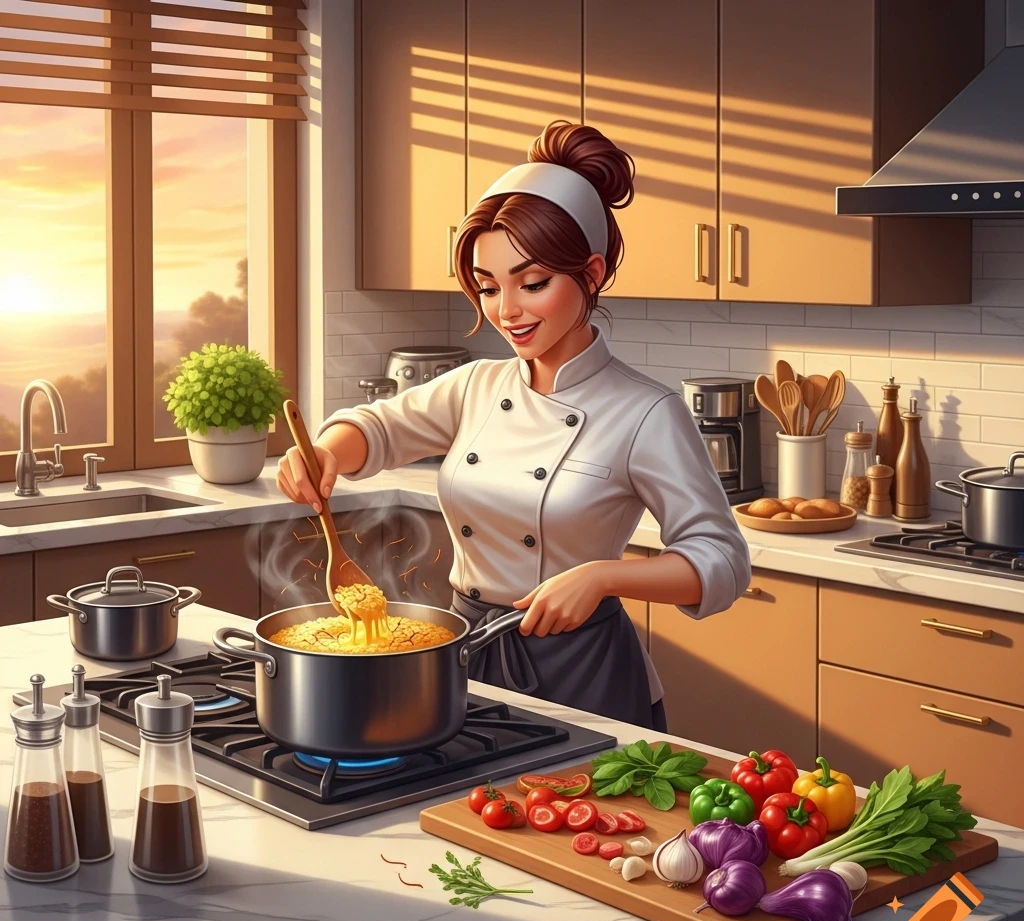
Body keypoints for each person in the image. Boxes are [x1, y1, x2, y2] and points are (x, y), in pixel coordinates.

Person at [277, 120, 751, 729]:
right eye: (487, 287)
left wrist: (603, 578)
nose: (507, 311)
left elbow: (721, 560)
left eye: (532, 284)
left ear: (592, 273)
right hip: (466, 656)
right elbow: (377, 428)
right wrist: (325, 453)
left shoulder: (645, 411)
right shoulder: (478, 385)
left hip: (584, 670)